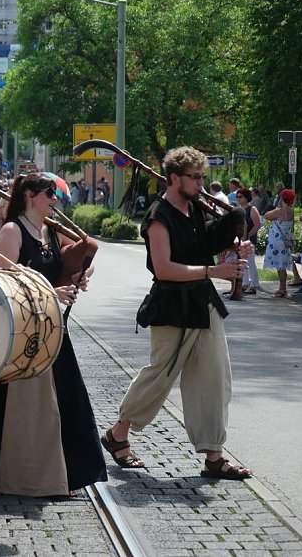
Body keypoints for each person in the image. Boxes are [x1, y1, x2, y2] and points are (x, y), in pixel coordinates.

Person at [102, 146, 252, 481]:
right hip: (172, 305)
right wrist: (212, 273)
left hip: (204, 303)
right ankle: (118, 434)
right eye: (195, 177)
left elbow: (204, 248)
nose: (201, 183)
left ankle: (214, 457)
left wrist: (234, 245)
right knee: (161, 376)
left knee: (214, 377)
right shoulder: (159, 216)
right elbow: (165, 268)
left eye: (202, 177)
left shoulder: (195, 210)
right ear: (174, 178)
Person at [0, 172, 107, 497]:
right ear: (30, 195)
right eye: (49, 194)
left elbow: (84, 257)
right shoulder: (12, 231)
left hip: (51, 328)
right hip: (19, 331)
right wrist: (52, 292)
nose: (55, 201)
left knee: (64, 402)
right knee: (20, 408)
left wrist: (80, 275)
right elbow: (2, 285)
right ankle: (14, 474)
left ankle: (63, 474)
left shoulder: (51, 230)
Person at [263, 189, 297, 297]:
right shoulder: (291, 212)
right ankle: (283, 288)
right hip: (285, 242)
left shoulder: (279, 211)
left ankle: (282, 289)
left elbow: (266, 215)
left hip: (276, 242)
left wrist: (277, 205)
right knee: (281, 264)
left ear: (282, 198)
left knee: (280, 266)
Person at [237, 188, 261, 294]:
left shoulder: (252, 209)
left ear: (246, 197)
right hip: (241, 239)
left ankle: (254, 285)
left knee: (250, 262)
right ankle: (244, 283)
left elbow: (257, 225)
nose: (238, 198)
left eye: (240, 196)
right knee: (243, 262)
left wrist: (248, 235)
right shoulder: (238, 209)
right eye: (237, 196)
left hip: (249, 239)